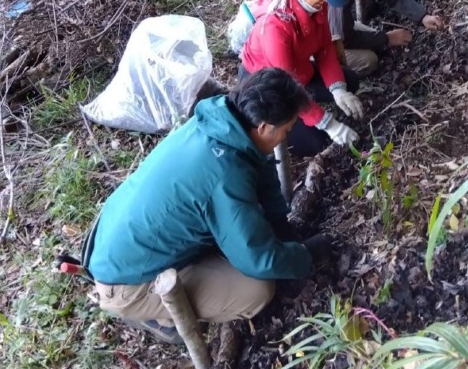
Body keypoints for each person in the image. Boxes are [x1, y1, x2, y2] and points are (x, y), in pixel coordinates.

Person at [83, 69, 333, 343]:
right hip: (126, 282)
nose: (286, 138)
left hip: (117, 242)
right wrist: (303, 257)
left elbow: (261, 177)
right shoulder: (224, 173)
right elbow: (259, 260)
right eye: (286, 130)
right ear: (263, 127)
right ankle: (158, 316)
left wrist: (282, 228)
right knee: (257, 290)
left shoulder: (220, 124)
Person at [241, 0, 363, 158]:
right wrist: (328, 123)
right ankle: (297, 121)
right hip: (270, 86)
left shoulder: (316, 4)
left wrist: (337, 89)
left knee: (349, 81)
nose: (326, 0)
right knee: (317, 142)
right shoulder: (276, 26)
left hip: (298, 70)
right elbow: (286, 85)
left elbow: (324, 48)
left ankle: (312, 109)